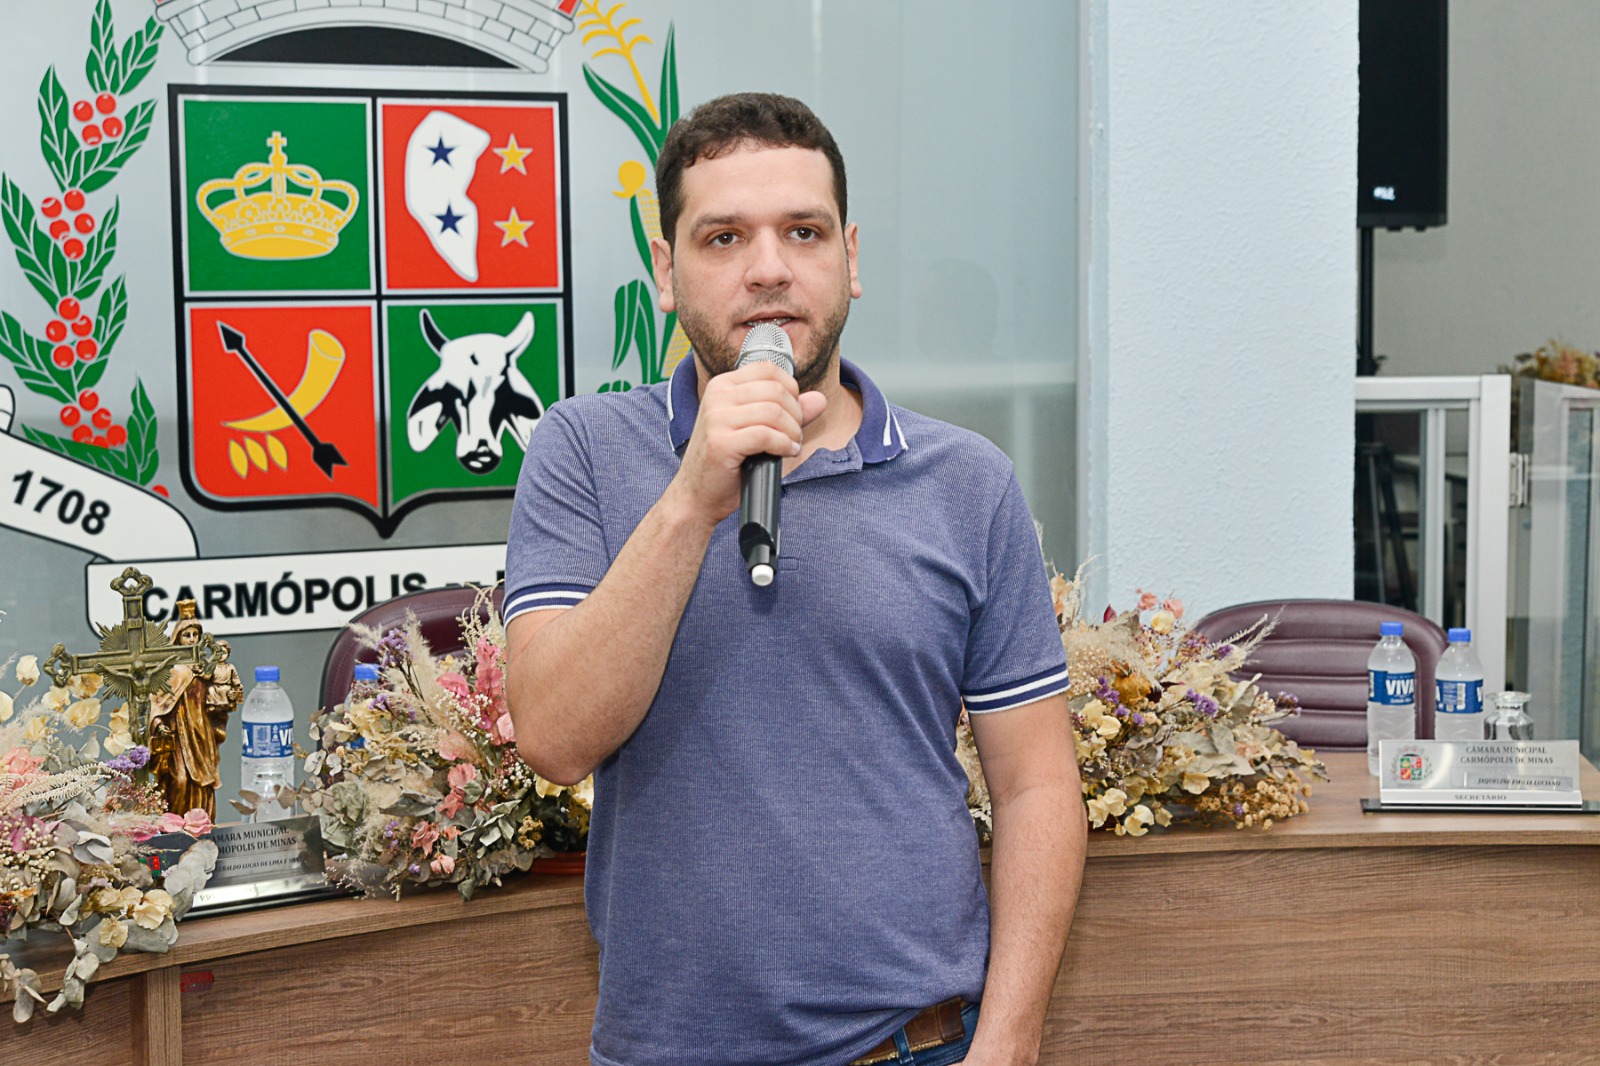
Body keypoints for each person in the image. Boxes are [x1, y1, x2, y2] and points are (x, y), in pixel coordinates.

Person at [506, 93, 1085, 1066]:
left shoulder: (967, 482)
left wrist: (1011, 1037)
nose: (768, 268)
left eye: (803, 232)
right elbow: (555, 740)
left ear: (850, 259)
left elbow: (1035, 785)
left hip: (914, 1047)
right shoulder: (584, 452)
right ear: (666, 272)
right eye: (724, 236)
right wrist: (692, 499)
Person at [147, 601, 238, 819]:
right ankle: (174, 825)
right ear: (177, 638)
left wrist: (228, 697)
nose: (191, 639)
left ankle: (202, 825)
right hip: (178, 734)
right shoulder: (172, 670)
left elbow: (214, 697)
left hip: (201, 732)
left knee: (204, 784)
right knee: (179, 780)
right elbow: (157, 703)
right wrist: (158, 724)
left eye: (195, 635)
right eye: (186, 635)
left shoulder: (205, 668)